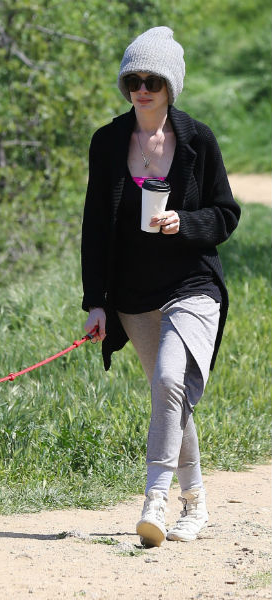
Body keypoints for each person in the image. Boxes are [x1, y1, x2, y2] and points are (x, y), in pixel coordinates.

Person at [81, 26, 241, 547]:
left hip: (192, 285)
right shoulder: (108, 143)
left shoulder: (198, 140)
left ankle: (154, 499)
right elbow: (94, 229)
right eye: (133, 80)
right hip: (133, 296)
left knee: (171, 380)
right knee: (169, 395)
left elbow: (226, 213)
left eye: (152, 80)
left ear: (171, 85)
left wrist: (184, 223)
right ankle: (195, 503)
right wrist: (96, 303)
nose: (141, 89)